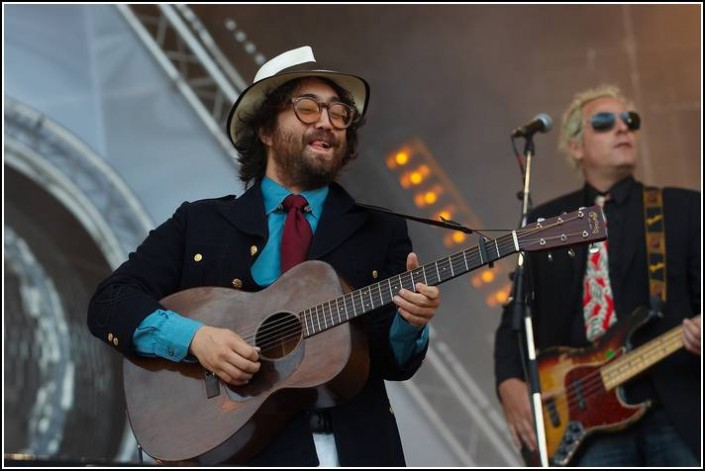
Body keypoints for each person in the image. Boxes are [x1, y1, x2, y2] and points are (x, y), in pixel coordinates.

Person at [87, 45, 440, 466]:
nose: (327, 122)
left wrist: (410, 323)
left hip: (352, 450)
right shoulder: (200, 223)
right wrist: (196, 340)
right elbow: (111, 302)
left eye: (339, 113)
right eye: (308, 108)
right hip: (234, 452)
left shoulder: (379, 230)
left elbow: (390, 362)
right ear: (266, 129)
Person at [494, 84, 701, 466]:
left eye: (630, 120)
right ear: (576, 147)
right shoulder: (545, 223)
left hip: (672, 407)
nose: (623, 128)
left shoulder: (683, 208)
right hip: (583, 421)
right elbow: (515, 317)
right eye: (604, 122)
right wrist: (509, 382)